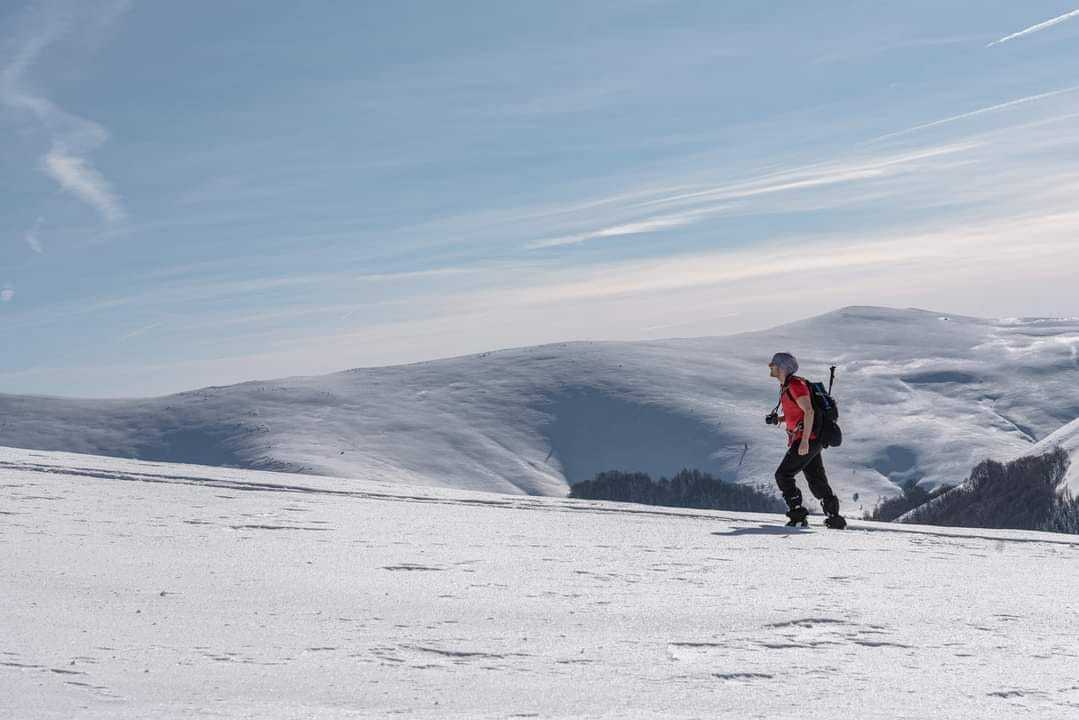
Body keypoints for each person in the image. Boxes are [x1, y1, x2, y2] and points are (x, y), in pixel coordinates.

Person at [768, 352, 846, 529]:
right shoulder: (788, 386)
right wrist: (779, 419)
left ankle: (798, 516)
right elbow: (798, 414)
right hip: (811, 438)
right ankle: (835, 519)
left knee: (783, 475)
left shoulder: (796, 384)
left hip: (807, 439)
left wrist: (804, 441)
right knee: (816, 479)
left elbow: (809, 411)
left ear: (783, 367)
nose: (770, 366)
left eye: (773, 364)